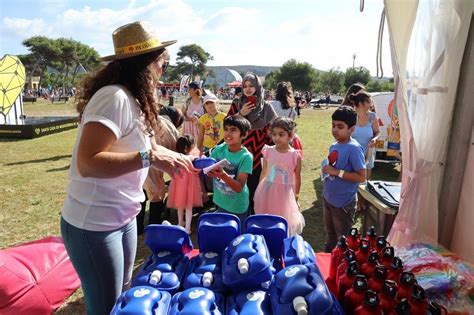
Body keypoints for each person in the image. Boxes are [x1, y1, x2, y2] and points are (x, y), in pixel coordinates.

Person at [59, 21, 196, 314]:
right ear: (145, 64)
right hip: (93, 224)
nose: (163, 72)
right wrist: (151, 159)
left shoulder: (134, 99)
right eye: (162, 64)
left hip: (124, 217)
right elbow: (88, 162)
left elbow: (141, 145)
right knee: (106, 308)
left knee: (123, 299)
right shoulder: (114, 98)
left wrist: (178, 158)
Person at [227, 73, 277, 213]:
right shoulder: (237, 104)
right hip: (238, 154)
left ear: (258, 87)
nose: (248, 89)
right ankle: (238, 217)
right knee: (237, 188)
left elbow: (274, 132)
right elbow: (227, 125)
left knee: (255, 190)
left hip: (258, 157)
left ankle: (253, 219)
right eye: (245, 86)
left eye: (251, 86)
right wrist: (240, 114)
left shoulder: (267, 108)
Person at [321, 106, 366, 252]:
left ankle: (343, 267)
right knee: (330, 234)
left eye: (340, 127)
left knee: (343, 239)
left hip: (343, 203)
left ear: (351, 129)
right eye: (333, 125)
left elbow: (361, 176)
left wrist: (336, 172)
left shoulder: (354, 149)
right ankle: (328, 259)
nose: (335, 130)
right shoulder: (334, 145)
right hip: (328, 199)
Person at [253, 117, 305, 235]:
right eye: (274, 134)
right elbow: (264, 171)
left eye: (281, 134)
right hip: (268, 189)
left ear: (290, 135)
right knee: (267, 218)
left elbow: (297, 177)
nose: (276, 138)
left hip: (285, 193)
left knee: (284, 219)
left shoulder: (295, 155)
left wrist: (296, 196)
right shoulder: (268, 151)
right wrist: (259, 191)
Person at [138, 106, 184, 234]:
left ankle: (138, 228)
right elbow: (176, 153)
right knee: (157, 195)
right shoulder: (172, 128)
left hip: (138, 161)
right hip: (153, 163)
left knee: (139, 193)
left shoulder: (150, 120)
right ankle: (154, 226)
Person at [208, 115, 253, 226]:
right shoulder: (218, 149)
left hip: (237, 206)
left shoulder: (246, 157)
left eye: (233, 130)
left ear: (244, 135)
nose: (228, 133)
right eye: (226, 129)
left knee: (237, 239)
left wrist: (223, 175)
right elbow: (209, 168)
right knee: (224, 234)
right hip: (220, 201)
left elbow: (238, 188)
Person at [166, 135, 202, 234]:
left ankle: (180, 222)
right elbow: (197, 169)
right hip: (189, 185)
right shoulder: (191, 158)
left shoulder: (176, 157)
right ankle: (187, 228)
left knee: (180, 205)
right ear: (187, 148)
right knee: (189, 207)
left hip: (178, 185)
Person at [350, 91, 380, 180]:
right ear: (360, 103)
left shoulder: (372, 116)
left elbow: (378, 132)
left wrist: (374, 139)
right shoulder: (351, 116)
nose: (371, 104)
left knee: (366, 179)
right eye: (368, 102)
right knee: (353, 176)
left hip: (368, 151)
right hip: (353, 152)